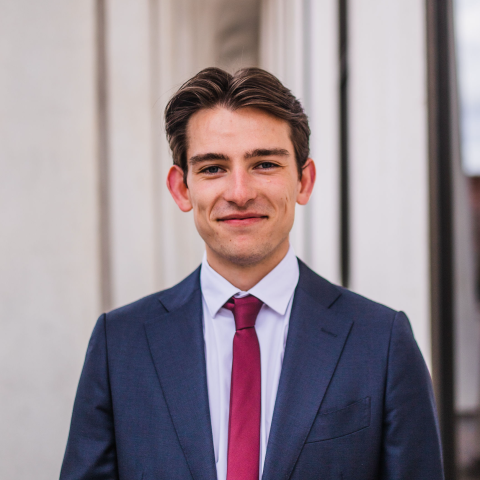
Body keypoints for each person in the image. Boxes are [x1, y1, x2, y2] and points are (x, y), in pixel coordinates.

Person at [60, 67, 444, 480]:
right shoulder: (119, 345)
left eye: (264, 164)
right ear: (182, 189)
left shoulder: (382, 341)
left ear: (304, 180)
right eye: (212, 168)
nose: (240, 192)